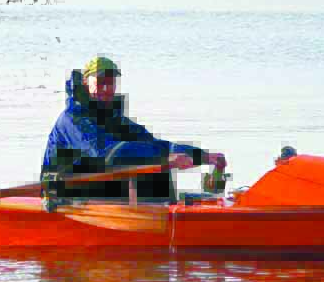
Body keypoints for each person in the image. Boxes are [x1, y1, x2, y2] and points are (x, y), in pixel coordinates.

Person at [42, 56, 226, 201]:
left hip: (93, 183)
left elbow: (155, 144)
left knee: (153, 162)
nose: (106, 88)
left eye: (110, 83)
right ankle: (160, 225)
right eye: (100, 82)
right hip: (61, 190)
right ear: (85, 83)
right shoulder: (72, 119)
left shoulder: (114, 119)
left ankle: (165, 218)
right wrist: (165, 158)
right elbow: (106, 152)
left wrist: (203, 156)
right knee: (153, 162)